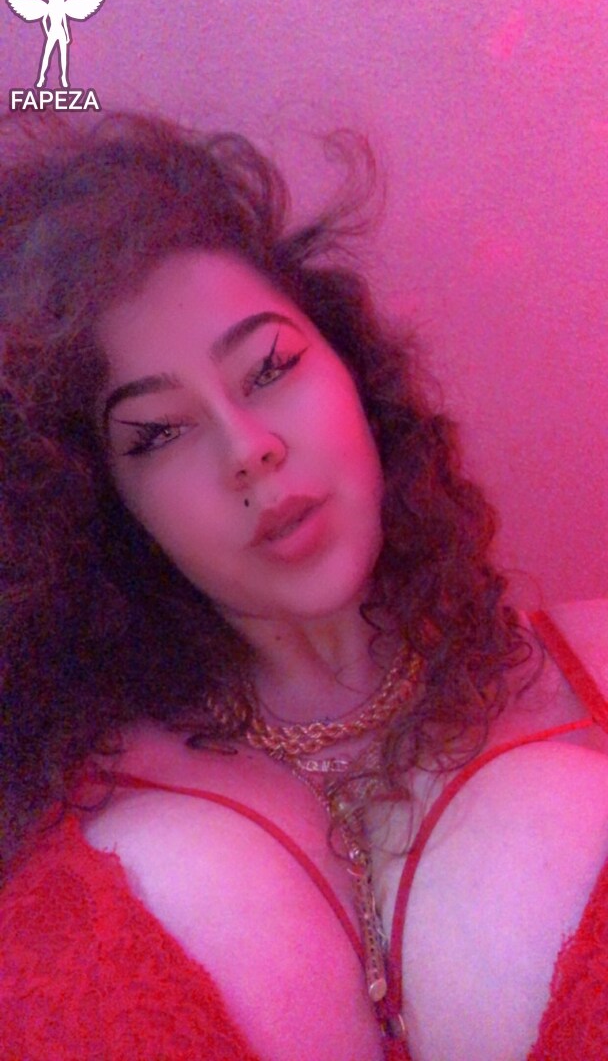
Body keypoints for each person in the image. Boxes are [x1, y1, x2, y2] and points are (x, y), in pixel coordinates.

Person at [0, 110, 606, 1061]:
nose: (249, 449)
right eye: (159, 433)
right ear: (109, 506)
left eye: (270, 368)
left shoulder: (592, 662)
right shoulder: (50, 809)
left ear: (352, 370)